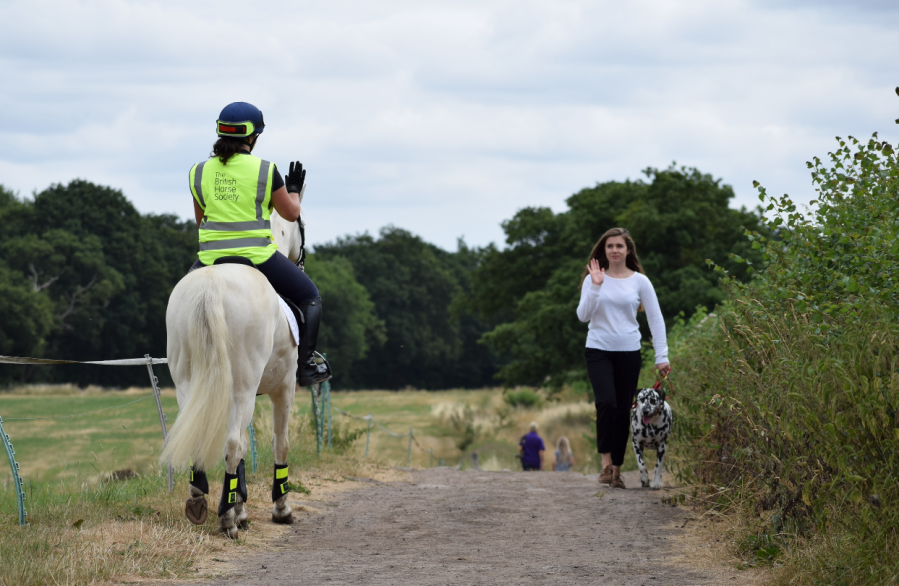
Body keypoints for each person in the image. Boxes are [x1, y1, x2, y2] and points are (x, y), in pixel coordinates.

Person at [187, 102, 331, 386]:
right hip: (257, 258)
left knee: (182, 300)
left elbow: (200, 221)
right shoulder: (265, 170)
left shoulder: (198, 172)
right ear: (253, 137)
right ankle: (305, 367)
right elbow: (290, 213)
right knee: (310, 296)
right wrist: (293, 192)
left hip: (209, 259)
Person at [576, 227, 670, 489]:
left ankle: (617, 469)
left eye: (619, 246)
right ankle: (606, 464)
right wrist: (595, 286)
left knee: (622, 410)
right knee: (606, 402)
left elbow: (655, 319)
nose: (614, 250)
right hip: (598, 350)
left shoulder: (640, 281)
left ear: (628, 250)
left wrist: (661, 356)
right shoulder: (593, 279)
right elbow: (583, 316)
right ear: (603, 251)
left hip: (629, 352)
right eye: (609, 246)